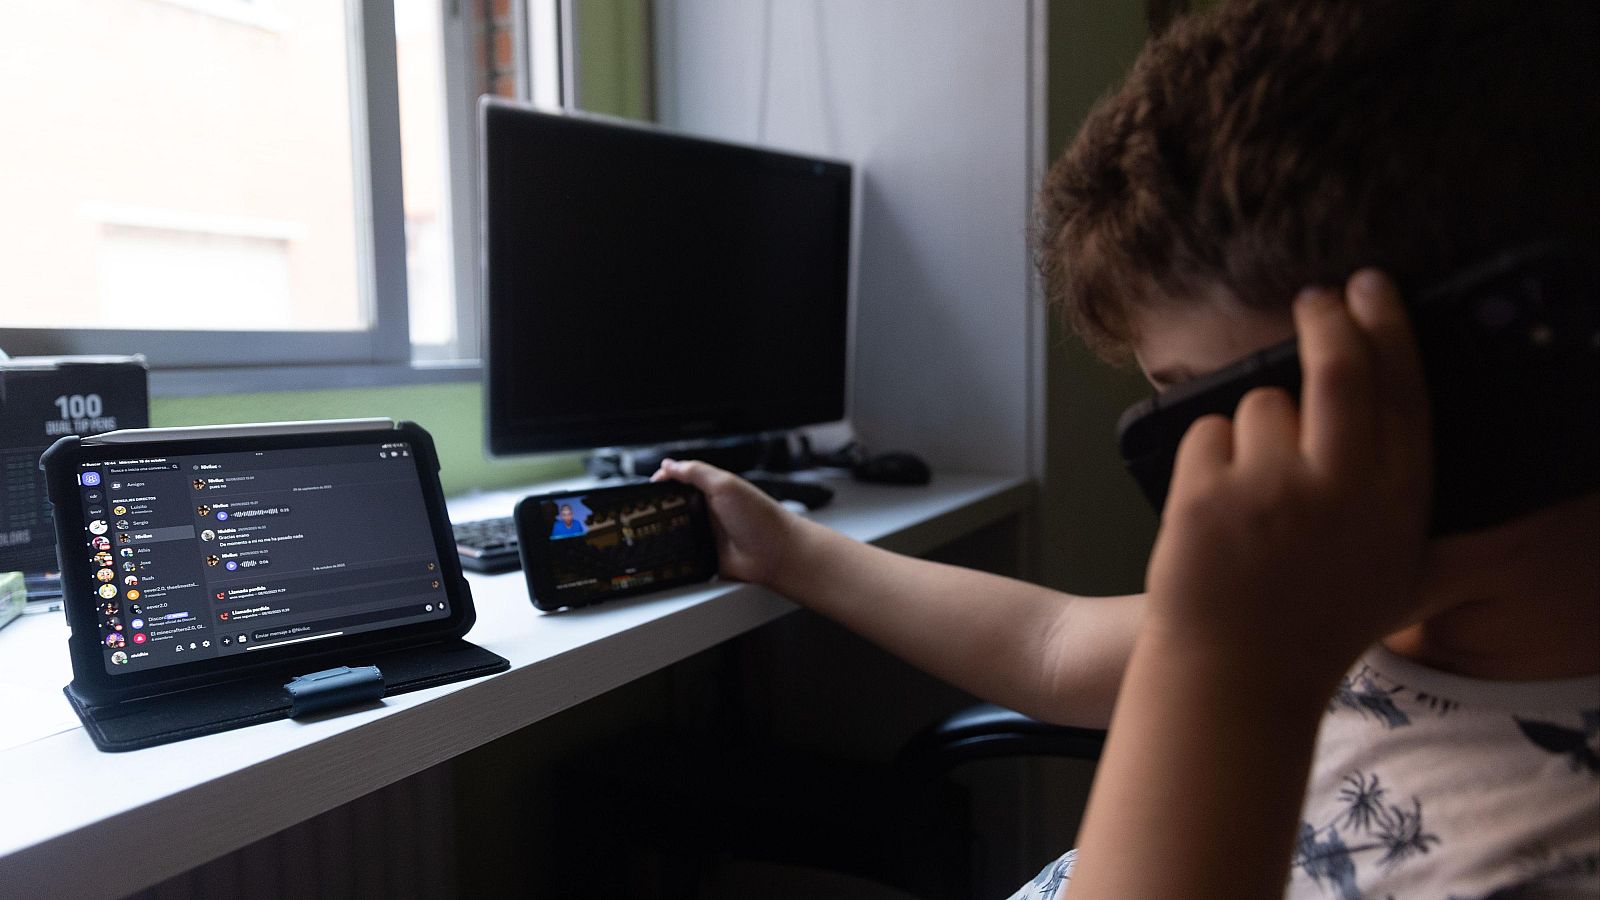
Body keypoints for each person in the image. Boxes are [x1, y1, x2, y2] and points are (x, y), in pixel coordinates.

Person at [654, 1, 1599, 897]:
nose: (1203, 482)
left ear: (1496, 373)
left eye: (1220, 410)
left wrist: (1239, 669)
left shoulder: (1550, 845)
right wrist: (788, 549)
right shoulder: (1361, 610)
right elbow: (1053, 643)